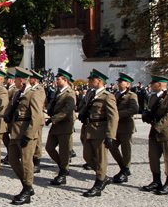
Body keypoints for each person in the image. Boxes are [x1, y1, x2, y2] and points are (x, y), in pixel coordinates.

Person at [5, 67, 45, 205]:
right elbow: (12, 107)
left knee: (27, 163)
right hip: (15, 132)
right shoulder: (18, 93)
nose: (13, 81)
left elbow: (37, 116)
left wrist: (30, 134)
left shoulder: (34, 94)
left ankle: (27, 191)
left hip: (25, 133)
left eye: (16, 79)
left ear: (22, 80)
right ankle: (26, 184)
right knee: (12, 159)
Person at [79, 69, 119, 198]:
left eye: (92, 80)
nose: (89, 82)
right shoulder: (91, 94)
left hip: (100, 131)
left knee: (101, 159)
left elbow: (113, 117)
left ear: (100, 81)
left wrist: (110, 135)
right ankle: (103, 177)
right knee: (87, 156)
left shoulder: (108, 96)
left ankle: (99, 183)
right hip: (89, 129)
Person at [140, 75, 168, 195]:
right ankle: (156, 181)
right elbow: (149, 110)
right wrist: (146, 116)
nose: (151, 85)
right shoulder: (153, 97)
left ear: (160, 85)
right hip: (154, 132)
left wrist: (158, 127)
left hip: (167, 132)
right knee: (153, 157)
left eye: (153, 83)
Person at [45, 68, 76, 186]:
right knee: (49, 147)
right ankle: (62, 166)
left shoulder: (70, 93)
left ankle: (63, 173)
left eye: (58, 79)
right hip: (56, 126)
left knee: (64, 151)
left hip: (64, 126)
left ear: (65, 80)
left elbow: (68, 110)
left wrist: (53, 119)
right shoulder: (59, 92)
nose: (56, 81)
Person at [109, 73, 139, 183]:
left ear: (128, 84)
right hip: (116, 126)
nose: (118, 84)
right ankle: (124, 167)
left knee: (126, 150)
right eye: (118, 82)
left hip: (126, 126)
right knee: (112, 147)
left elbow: (134, 109)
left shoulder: (132, 95)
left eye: (121, 82)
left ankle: (125, 171)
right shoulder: (116, 94)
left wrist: (118, 114)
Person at [29, 69, 46, 174]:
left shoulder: (39, 90)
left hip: (37, 119)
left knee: (38, 142)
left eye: (30, 78)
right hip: (31, 118)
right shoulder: (31, 89)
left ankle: (37, 162)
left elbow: (38, 107)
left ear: (34, 79)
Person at [1, 71, 18, 164]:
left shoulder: (14, 90)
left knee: (12, 136)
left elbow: (11, 103)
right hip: (6, 115)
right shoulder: (7, 89)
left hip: (10, 117)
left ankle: (12, 155)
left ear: (11, 80)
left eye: (7, 79)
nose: (6, 80)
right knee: (5, 135)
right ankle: (9, 153)